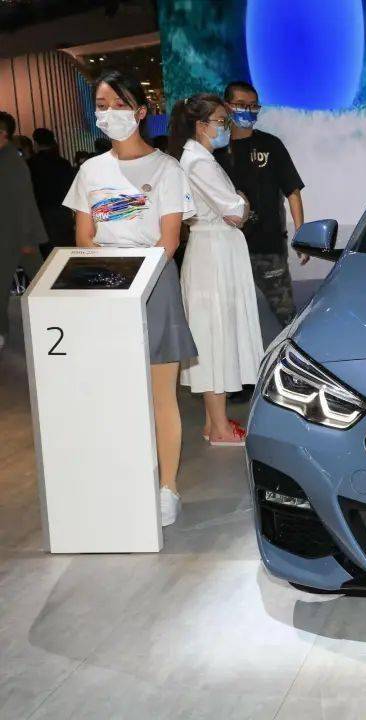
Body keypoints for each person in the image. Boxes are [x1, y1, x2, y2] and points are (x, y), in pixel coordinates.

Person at [62, 71, 198, 526]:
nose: (109, 114)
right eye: (102, 106)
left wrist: (135, 279)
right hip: (103, 289)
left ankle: (167, 488)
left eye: (119, 105)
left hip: (154, 286)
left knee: (161, 394)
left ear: (140, 112)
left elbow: (169, 238)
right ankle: (121, 481)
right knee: (112, 395)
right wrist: (107, 279)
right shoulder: (90, 171)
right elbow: (84, 236)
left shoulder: (167, 169)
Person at [168, 93, 261, 447]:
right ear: (201, 125)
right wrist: (243, 201)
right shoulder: (199, 163)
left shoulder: (199, 158)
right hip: (214, 254)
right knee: (214, 335)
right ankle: (219, 427)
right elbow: (236, 211)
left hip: (215, 250)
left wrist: (238, 203)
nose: (226, 127)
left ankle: (214, 422)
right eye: (221, 122)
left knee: (215, 333)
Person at [216, 80, 306, 328]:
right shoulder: (215, 151)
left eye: (253, 105)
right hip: (227, 248)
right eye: (241, 105)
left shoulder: (271, 145)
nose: (248, 110)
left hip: (268, 247)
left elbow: (292, 190)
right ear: (226, 106)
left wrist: (301, 233)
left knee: (286, 315)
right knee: (231, 320)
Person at [0, 111, 48, 352]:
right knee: (40, 281)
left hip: (15, 236)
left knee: (40, 282)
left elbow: (24, 202)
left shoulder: (12, 162)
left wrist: (27, 237)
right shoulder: (9, 159)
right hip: (13, 235)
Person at [28, 128, 76, 257]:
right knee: (66, 249)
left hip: (43, 213)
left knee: (49, 252)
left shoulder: (31, 164)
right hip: (63, 211)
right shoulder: (63, 163)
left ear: (36, 143)